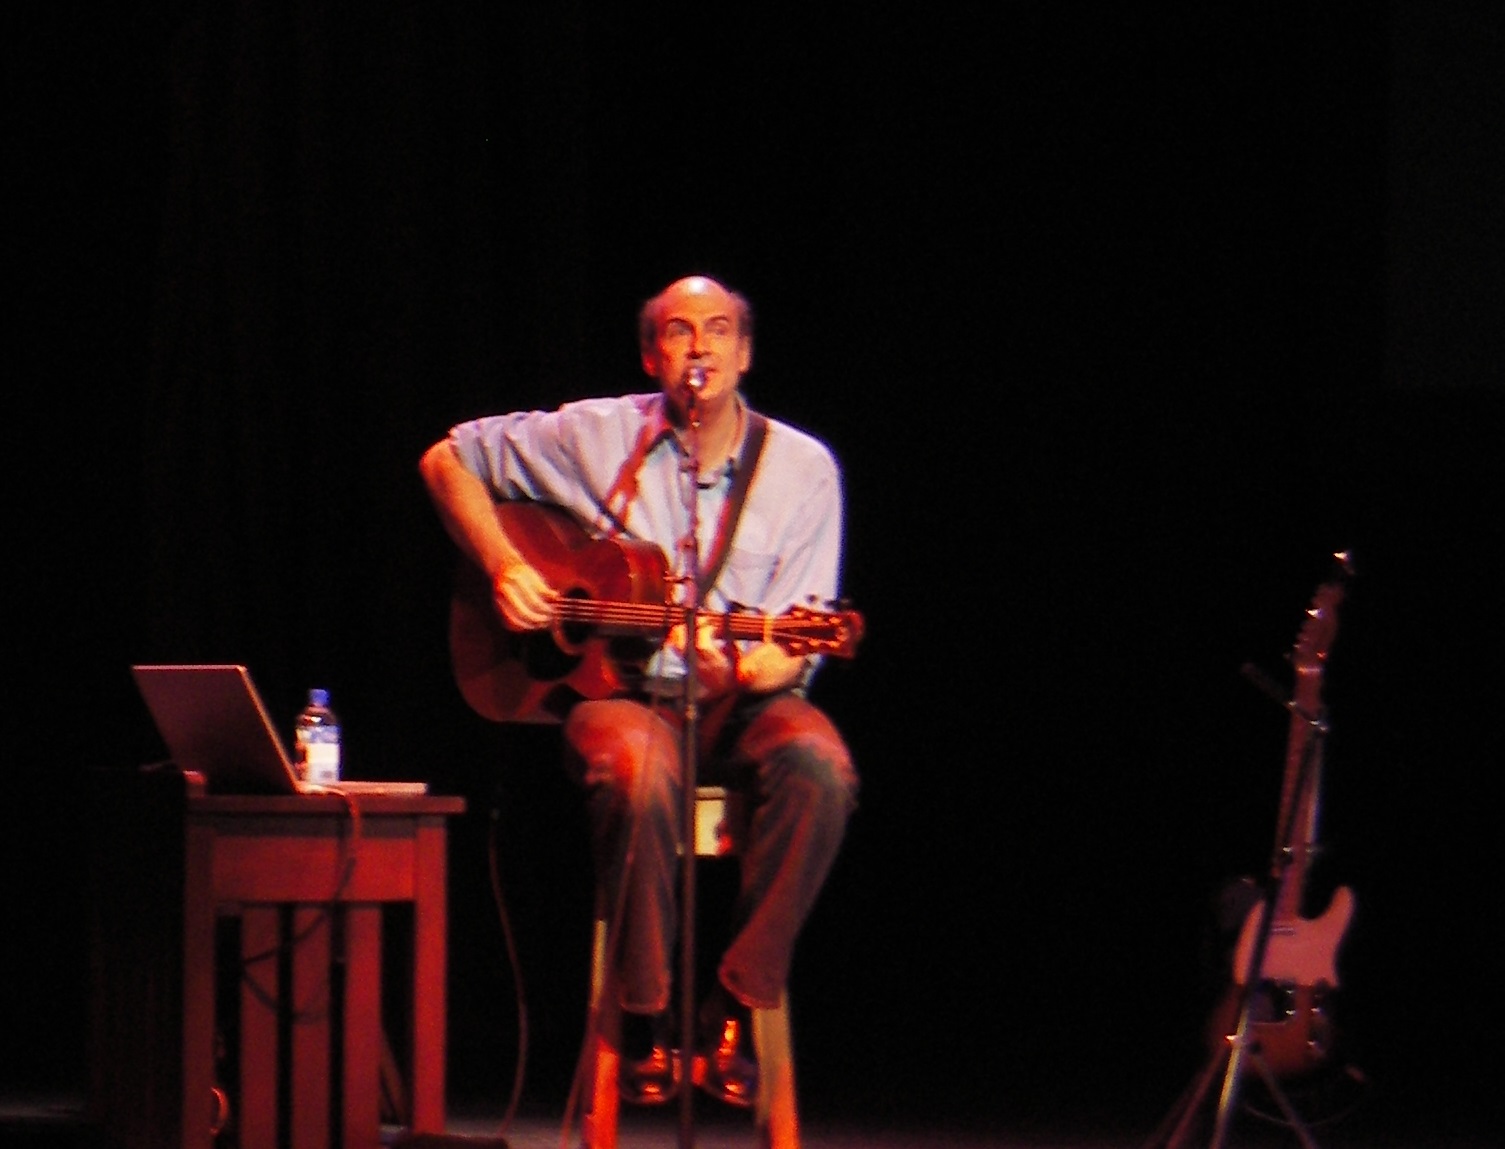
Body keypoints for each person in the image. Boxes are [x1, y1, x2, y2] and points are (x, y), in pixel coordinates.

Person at [419, 274, 859, 1108]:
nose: (701, 349)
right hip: (623, 693)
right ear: (653, 353)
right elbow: (445, 458)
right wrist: (505, 564)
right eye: (681, 332)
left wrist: (748, 663)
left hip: (744, 698)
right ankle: (646, 1012)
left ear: (745, 352)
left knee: (821, 767)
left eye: (720, 330)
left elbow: (790, 654)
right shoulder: (595, 435)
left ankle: (735, 999)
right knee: (636, 769)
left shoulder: (802, 470)